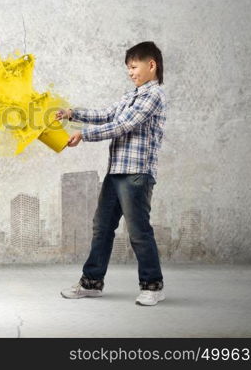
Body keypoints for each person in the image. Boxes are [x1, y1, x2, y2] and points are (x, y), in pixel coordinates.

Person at [56, 41, 167, 306]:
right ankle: (92, 282)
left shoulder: (154, 95)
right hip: (116, 171)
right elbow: (107, 114)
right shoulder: (132, 96)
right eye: (128, 68)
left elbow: (123, 125)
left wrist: (84, 135)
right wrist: (72, 113)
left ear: (151, 65)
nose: (130, 72)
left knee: (139, 231)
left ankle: (153, 285)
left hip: (137, 173)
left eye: (134, 66)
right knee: (102, 227)